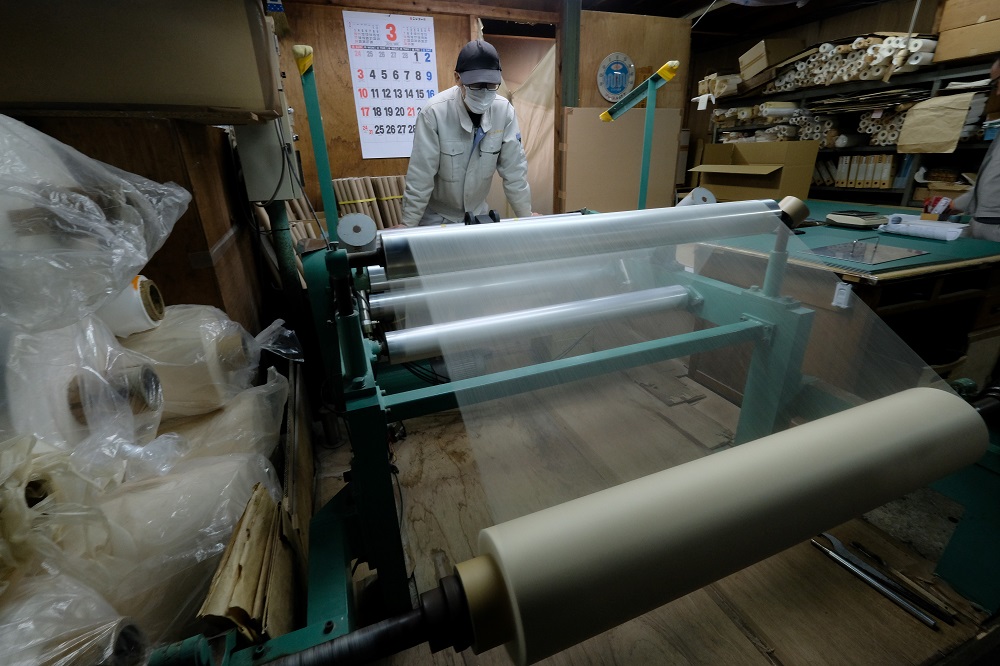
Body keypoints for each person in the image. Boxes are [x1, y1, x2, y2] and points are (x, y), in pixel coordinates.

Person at [400, 39, 532, 226]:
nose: (485, 92)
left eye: (491, 85)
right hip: (437, 216)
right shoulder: (435, 113)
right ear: (457, 78)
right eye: (477, 86)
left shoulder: (504, 112)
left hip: (478, 213)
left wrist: (527, 217)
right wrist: (407, 226)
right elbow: (421, 176)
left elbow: (515, 172)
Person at [952, 56, 1000, 241]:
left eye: (997, 84)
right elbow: (993, 179)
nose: (996, 93)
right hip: (986, 223)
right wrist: (956, 204)